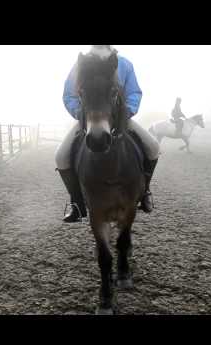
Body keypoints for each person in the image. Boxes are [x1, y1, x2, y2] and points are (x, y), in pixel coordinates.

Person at [55, 45, 160, 223]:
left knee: (153, 147)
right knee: (60, 157)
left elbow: (134, 92)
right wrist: (80, 114)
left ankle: (145, 192)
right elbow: (69, 95)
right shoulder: (80, 64)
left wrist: (127, 111)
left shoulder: (124, 64)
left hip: (119, 116)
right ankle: (77, 203)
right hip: (88, 118)